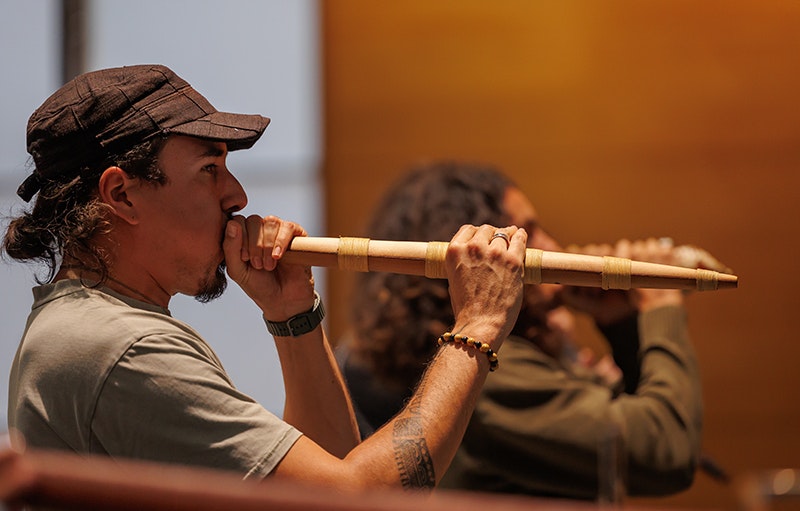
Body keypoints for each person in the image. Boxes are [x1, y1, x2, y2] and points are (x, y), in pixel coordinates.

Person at [3, 65, 528, 491]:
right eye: (209, 170)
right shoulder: (120, 349)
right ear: (121, 195)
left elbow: (317, 481)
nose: (237, 197)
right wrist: (478, 325)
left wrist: (293, 317)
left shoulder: (89, 329)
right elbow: (356, 502)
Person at [337, 161, 705, 500]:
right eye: (527, 233)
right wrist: (661, 306)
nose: (553, 247)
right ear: (476, 254)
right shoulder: (483, 367)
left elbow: (645, 425)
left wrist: (620, 323)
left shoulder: (488, 358)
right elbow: (665, 451)